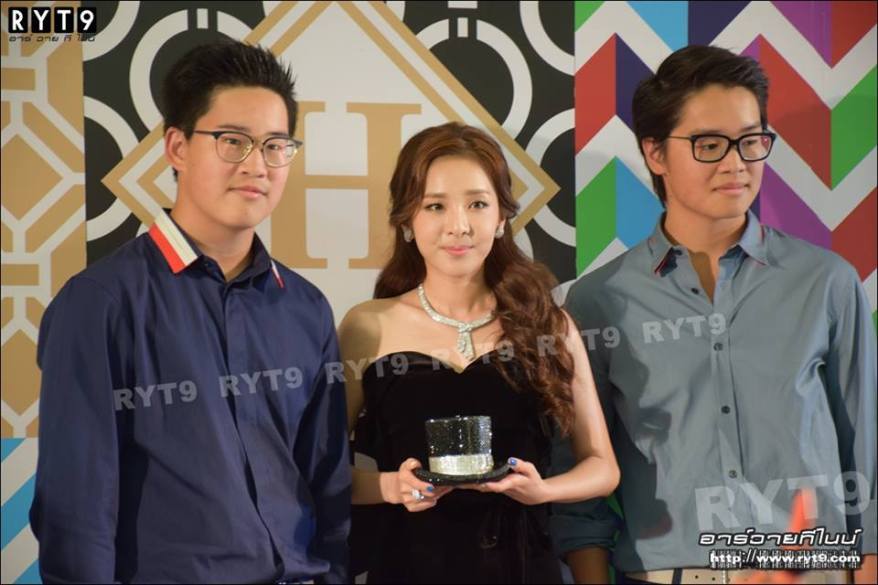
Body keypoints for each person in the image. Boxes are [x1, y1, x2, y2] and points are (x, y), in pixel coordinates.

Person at [30, 39, 350, 584]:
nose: (257, 165)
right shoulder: (101, 303)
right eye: (233, 141)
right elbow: (75, 508)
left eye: (275, 145)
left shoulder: (305, 307)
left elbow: (328, 478)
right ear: (177, 147)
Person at [553, 45, 876, 584]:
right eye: (709, 145)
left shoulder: (826, 282)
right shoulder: (598, 302)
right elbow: (578, 477)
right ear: (655, 153)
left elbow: (866, 450)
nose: (736, 163)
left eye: (751, 141)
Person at [338, 122, 620, 584]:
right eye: (435, 206)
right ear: (407, 221)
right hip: (408, 566)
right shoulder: (367, 326)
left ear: (502, 217)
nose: (460, 226)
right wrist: (391, 485)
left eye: (478, 204)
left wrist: (542, 490)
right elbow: (322, 470)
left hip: (524, 566)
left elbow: (602, 467)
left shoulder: (548, 324)